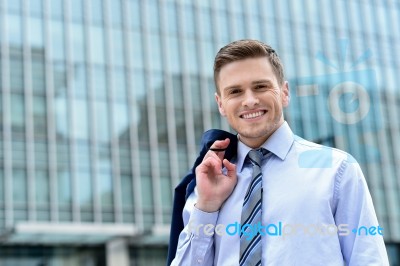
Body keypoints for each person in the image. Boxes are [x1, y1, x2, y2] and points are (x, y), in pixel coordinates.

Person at [167, 39, 389, 265]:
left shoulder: (336, 170)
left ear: (284, 92)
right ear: (221, 104)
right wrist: (206, 206)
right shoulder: (207, 181)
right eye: (235, 91)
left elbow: (368, 258)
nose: (250, 100)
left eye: (261, 87)